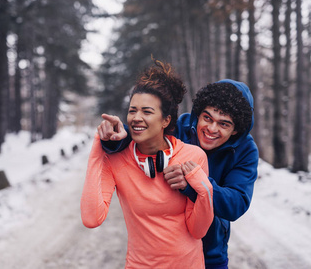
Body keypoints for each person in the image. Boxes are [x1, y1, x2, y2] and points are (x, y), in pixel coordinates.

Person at [99, 79, 259, 269]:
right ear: (198, 114)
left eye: (224, 124)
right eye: (207, 118)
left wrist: (194, 184)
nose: (212, 129)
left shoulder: (246, 150)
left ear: (236, 130)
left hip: (211, 253)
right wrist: (116, 138)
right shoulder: (178, 126)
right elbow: (145, 134)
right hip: (160, 255)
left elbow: (236, 203)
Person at [81, 59, 214, 268]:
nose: (136, 117)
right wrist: (100, 143)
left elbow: (198, 230)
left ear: (166, 120)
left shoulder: (193, 156)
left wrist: (204, 189)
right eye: (133, 110)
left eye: (147, 111)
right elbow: (91, 218)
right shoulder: (117, 160)